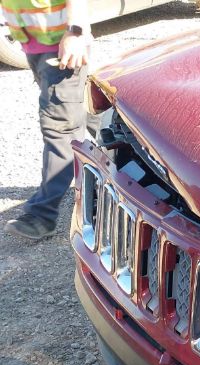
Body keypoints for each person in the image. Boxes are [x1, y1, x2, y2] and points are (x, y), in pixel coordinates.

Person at [2, 0, 93, 241]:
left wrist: (75, 32)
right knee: (81, 110)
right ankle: (144, 149)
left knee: (60, 130)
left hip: (62, 49)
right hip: (38, 47)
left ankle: (42, 216)